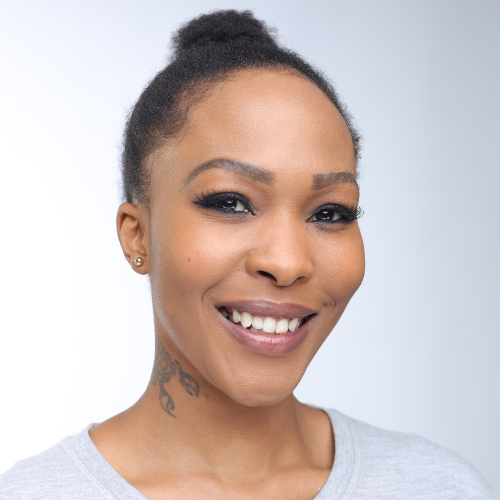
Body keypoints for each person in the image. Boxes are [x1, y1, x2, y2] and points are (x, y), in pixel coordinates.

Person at [0, 9, 496, 500]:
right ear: (138, 236)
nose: (287, 263)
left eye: (329, 213)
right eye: (230, 203)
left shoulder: (439, 487)